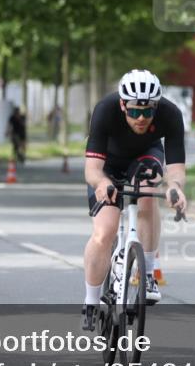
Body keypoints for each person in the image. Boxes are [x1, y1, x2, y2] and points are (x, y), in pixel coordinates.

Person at [81, 69, 188, 330]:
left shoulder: (171, 114)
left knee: (149, 188)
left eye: (148, 112)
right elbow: (92, 169)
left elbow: (175, 168)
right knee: (104, 234)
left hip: (144, 157)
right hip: (107, 164)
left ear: (156, 107)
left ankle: (148, 273)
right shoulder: (105, 109)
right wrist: (102, 183)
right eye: (134, 111)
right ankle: (91, 301)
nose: (141, 118)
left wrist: (175, 187)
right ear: (122, 105)